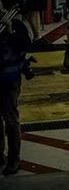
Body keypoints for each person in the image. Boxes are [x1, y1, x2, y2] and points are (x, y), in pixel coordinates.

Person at [0, 10, 32, 176]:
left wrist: (10, 30)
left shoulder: (14, 25)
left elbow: (25, 44)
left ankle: (14, 159)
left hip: (9, 79)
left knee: (11, 120)